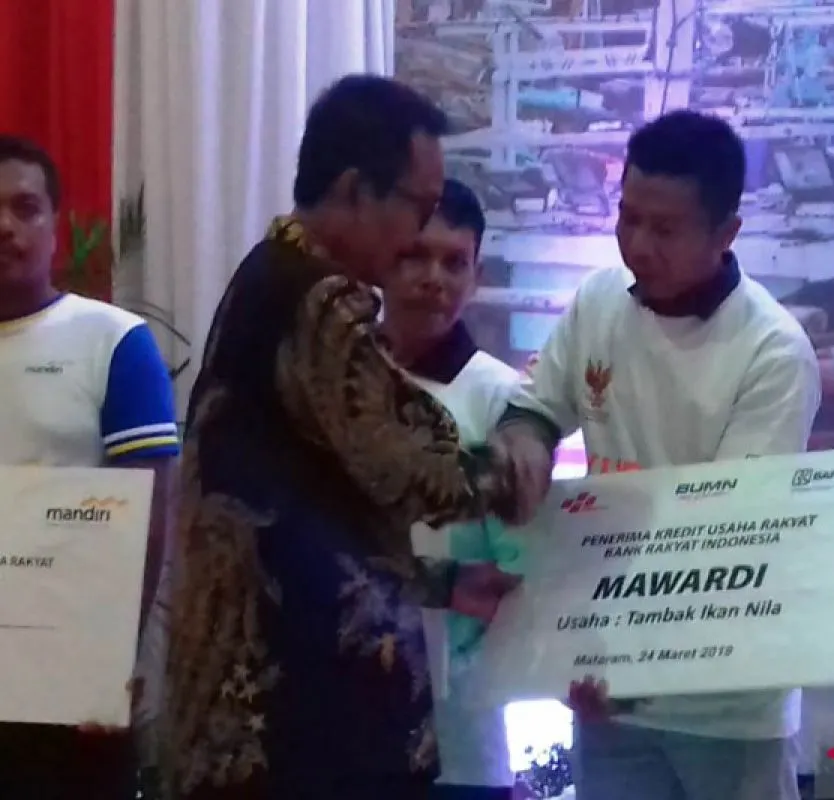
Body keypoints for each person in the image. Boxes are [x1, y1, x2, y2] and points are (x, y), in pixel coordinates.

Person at [161, 76, 521, 800]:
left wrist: (443, 584)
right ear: (356, 190)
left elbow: (320, 511)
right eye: (417, 207)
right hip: (299, 715)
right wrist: (511, 469)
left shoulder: (270, 271)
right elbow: (402, 465)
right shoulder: (318, 298)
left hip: (257, 703)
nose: (420, 234)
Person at [492, 110, 822, 800]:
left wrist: (622, 651)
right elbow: (535, 408)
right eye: (628, 217)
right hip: (607, 688)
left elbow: (726, 535)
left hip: (730, 701)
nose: (638, 245)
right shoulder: (598, 302)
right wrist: (523, 449)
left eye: (665, 229)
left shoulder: (772, 351)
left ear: (726, 233)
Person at [0, 135, 179, 799]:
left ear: (55, 223)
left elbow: (148, 516)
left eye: (25, 208)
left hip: (68, 689)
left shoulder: (112, 341)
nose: (5, 226)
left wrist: (108, 662)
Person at [382, 178, 523, 800]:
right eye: (416, 255)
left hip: (464, 727)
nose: (433, 279)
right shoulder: (337, 382)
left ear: (476, 273)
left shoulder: (503, 400)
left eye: (454, 262)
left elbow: (518, 565)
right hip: (346, 717)